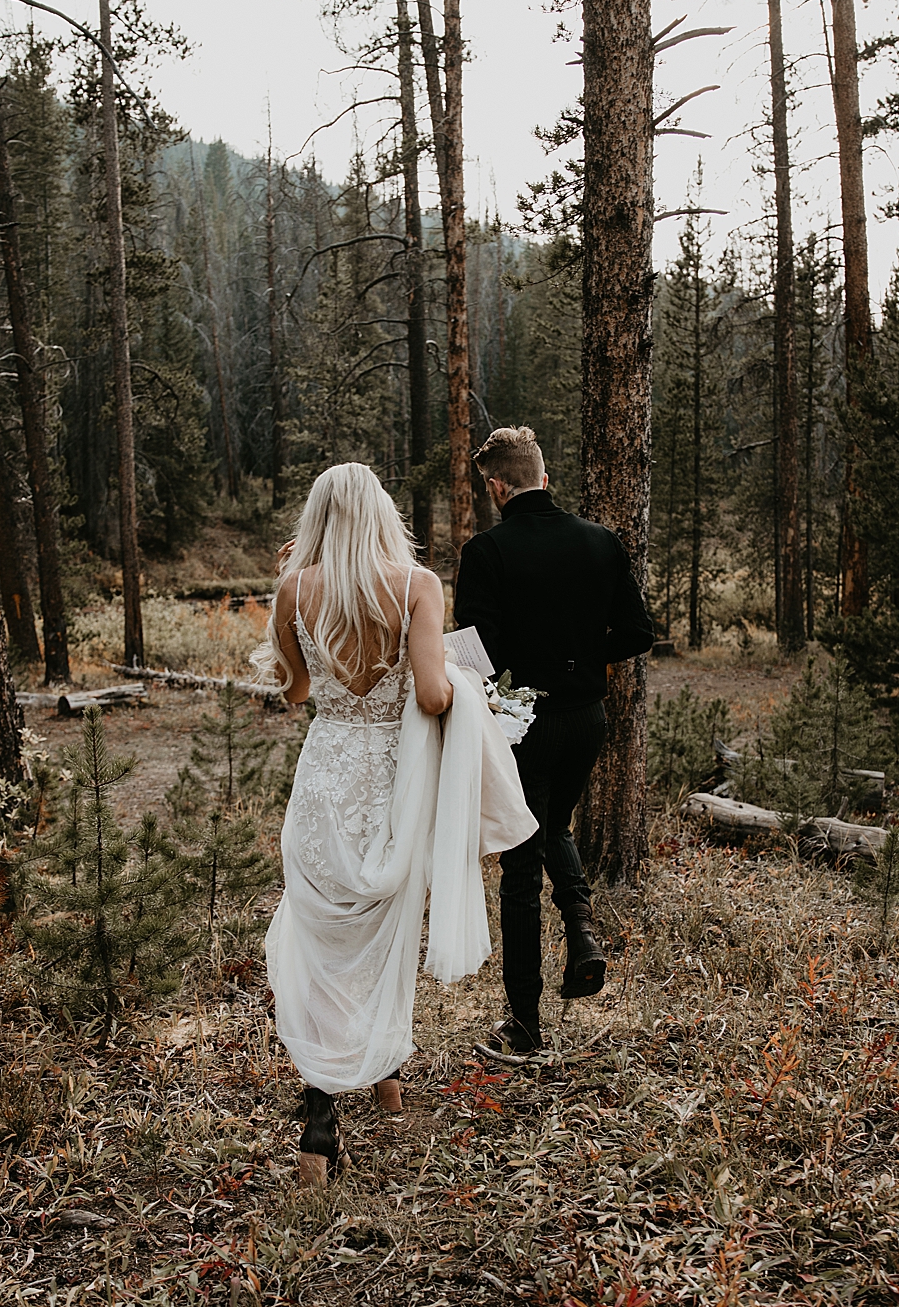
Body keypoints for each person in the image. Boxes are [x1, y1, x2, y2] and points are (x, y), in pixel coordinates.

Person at [255, 463, 535, 1185]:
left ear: (318, 516)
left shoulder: (294, 588)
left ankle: (321, 1122)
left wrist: (295, 603)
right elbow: (437, 696)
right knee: (386, 930)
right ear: (381, 513)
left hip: (324, 780)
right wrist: (462, 684)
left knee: (324, 940)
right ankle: (383, 1077)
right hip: (390, 783)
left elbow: (296, 693)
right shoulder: (416, 586)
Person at [453, 427, 656, 1056]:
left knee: (520, 864)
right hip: (588, 719)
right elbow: (638, 633)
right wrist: (581, 658)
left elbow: (475, 653)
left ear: (496, 486)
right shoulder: (602, 542)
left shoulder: (485, 552)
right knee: (554, 826)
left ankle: (524, 1025)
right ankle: (580, 926)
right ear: (545, 476)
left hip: (523, 723)